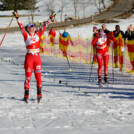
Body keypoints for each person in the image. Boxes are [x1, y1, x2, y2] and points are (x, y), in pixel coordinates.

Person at [12, 11, 56, 102]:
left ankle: (39, 94)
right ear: (28, 29)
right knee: (28, 77)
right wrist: (17, 18)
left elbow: (45, 26)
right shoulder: (26, 35)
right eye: (30, 27)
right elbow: (21, 26)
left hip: (37, 58)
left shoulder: (38, 34)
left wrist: (50, 18)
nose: (33, 28)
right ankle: (26, 95)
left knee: (38, 77)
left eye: (33, 27)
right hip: (29, 58)